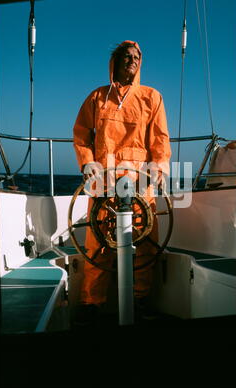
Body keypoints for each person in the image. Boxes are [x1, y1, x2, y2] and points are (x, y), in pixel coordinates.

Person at [73, 40, 171, 325]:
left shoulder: (152, 97)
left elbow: (161, 143)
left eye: (136, 57)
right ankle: (92, 303)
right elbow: (81, 135)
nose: (132, 60)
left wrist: (154, 171)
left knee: (145, 243)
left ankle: (140, 300)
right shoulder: (97, 97)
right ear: (114, 62)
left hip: (140, 185)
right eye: (126, 56)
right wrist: (88, 162)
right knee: (98, 243)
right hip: (103, 182)